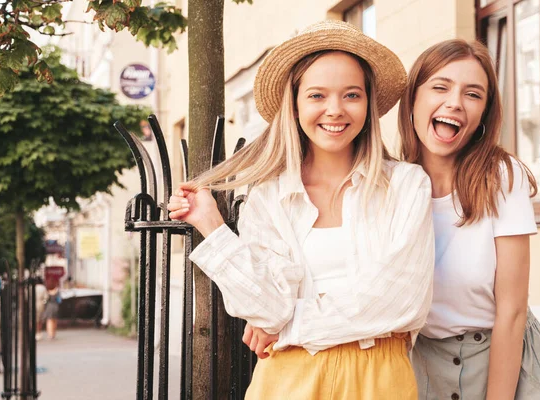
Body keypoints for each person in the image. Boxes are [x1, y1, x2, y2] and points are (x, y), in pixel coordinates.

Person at [167, 20, 434, 399]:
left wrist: (289, 326)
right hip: (286, 379)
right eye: (317, 96)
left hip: (380, 377)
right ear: (294, 105)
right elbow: (266, 307)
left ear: (368, 103)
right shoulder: (269, 198)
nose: (335, 110)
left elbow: (400, 301)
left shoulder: (407, 186)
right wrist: (212, 227)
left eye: (352, 95)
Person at [398, 39, 540, 399]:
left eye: (473, 94)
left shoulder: (501, 176)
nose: (454, 102)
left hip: (500, 353)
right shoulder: (394, 185)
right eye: (440, 86)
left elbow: (512, 311)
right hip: (419, 361)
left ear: (484, 112)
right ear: (413, 99)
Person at [35, 277, 48, 341]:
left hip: (33, 304)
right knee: (40, 319)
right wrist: (44, 302)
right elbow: (46, 297)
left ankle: (35, 332)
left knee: (34, 319)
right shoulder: (43, 288)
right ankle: (39, 332)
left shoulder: (32, 287)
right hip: (40, 304)